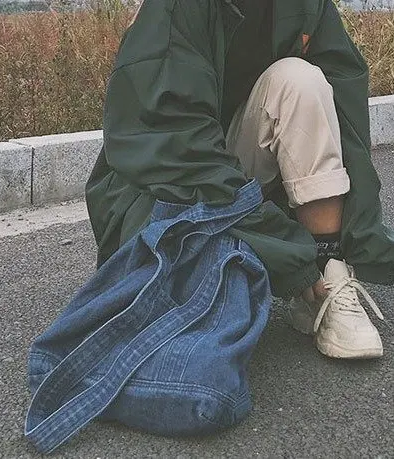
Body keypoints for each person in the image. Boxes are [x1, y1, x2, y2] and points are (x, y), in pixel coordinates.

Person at [85, 0, 393, 359]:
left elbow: (348, 128)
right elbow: (175, 148)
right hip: (166, 178)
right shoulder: (175, 8)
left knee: (301, 80)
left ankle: (326, 276)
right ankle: (297, 274)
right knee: (179, 325)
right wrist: (288, 253)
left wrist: (362, 238)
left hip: (240, 161)